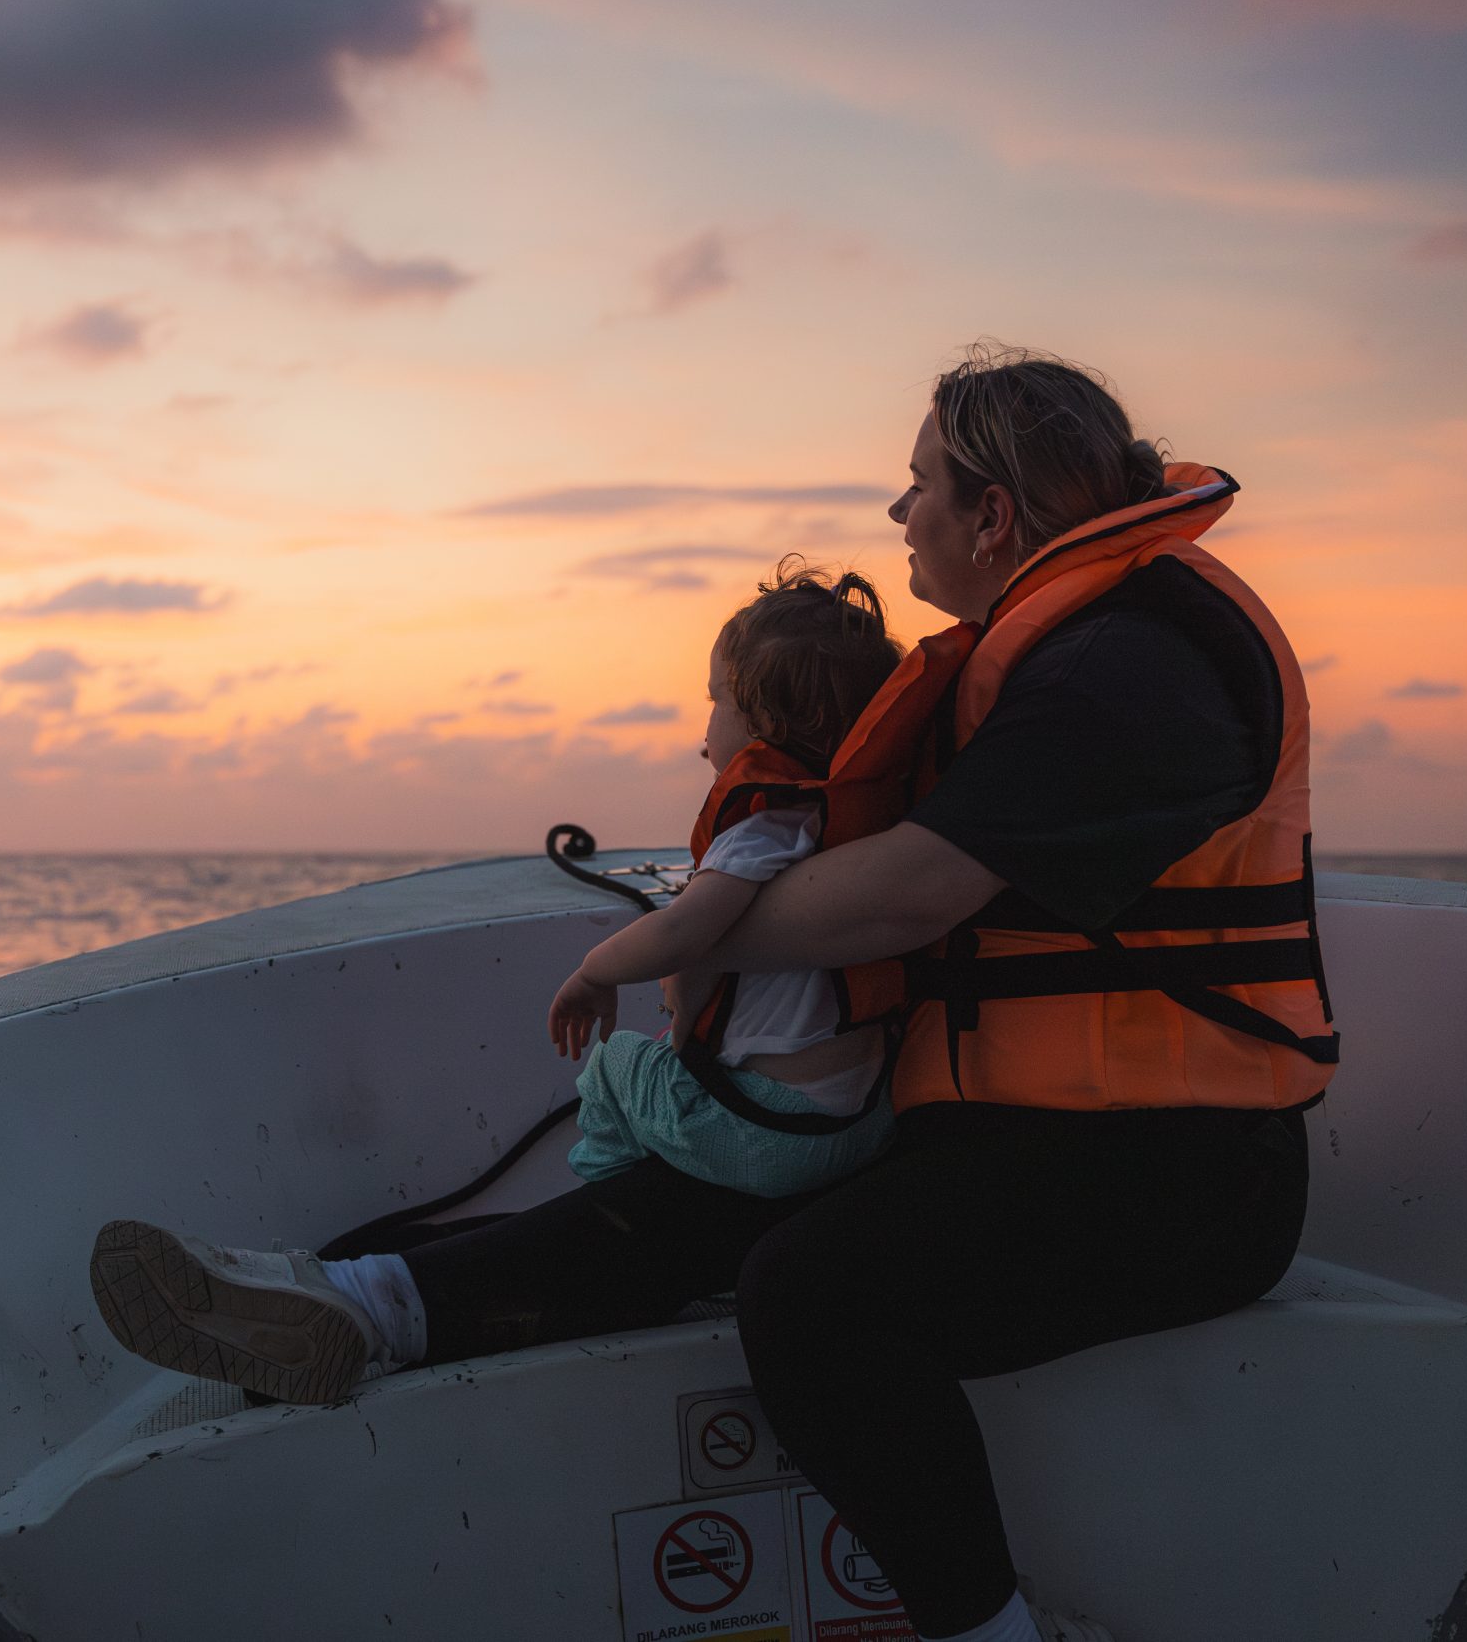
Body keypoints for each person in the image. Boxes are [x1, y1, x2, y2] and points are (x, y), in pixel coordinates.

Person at [89, 344, 1336, 1642]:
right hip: (1033, 1133)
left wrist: (693, 936)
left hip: (1187, 1173)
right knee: (724, 1179)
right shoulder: (1060, 646)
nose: (897, 510)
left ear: (991, 515)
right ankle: (368, 1306)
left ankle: (986, 1630)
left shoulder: (1128, 665)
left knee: (812, 1290)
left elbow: (911, 894)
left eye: (917, 484)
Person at [548, 560, 905, 1200]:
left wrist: (594, 973)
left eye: (715, 701)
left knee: (612, 1066)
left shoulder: (760, 832)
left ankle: (608, 1206)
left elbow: (682, 935)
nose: (704, 730)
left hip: (771, 1132)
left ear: (766, 723)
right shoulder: (856, 826)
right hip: (866, 1120)